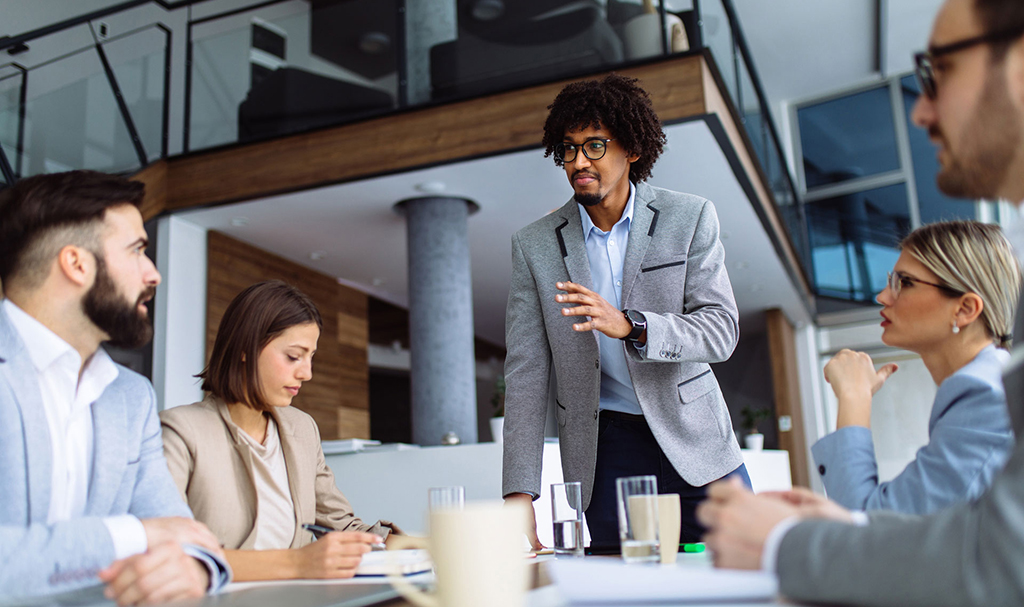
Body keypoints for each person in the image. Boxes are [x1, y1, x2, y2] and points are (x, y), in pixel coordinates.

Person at [697, 0, 1024, 604]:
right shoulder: (981, 390)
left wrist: (787, 538)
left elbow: (979, 559)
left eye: (938, 72)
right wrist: (835, 523)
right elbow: (949, 537)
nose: (922, 108)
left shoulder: (982, 397)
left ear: (966, 309)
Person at [502, 73, 749, 548]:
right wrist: (519, 493)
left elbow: (720, 331)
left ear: (632, 148)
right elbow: (527, 372)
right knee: (623, 589)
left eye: (594, 146)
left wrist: (631, 325)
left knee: (741, 572)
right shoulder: (534, 246)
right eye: (568, 149)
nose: (579, 161)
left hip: (698, 442)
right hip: (604, 450)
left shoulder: (689, 217)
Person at [0, 170, 230, 604]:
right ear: (77, 264)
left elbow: (182, 531)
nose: (154, 274)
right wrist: (130, 535)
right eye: (138, 250)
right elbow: (150, 530)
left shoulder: (131, 396)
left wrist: (195, 569)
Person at [160, 280, 402, 581]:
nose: (306, 373)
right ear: (246, 347)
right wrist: (299, 563)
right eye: (293, 356)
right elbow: (172, 552)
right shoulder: (180, 432)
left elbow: (340, 526)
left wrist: (416, 545)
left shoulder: (301, 429)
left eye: (310, 357)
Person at [812, 220, 1019, 514]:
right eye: (890, 280)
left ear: (964, 309)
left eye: (905, 283)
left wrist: (854, 397)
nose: (883, 296)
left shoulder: (986, 398)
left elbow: (869, 528)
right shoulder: (987, 387)